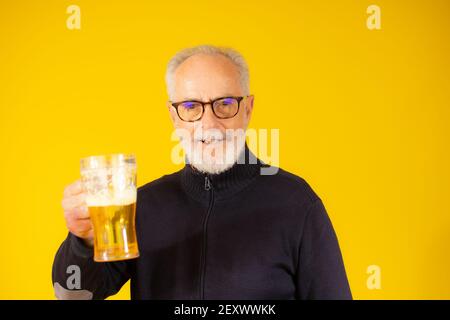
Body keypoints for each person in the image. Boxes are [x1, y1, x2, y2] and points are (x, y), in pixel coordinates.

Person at [53, 45, 352, 300]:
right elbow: (74, 294)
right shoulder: (140, 206)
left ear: (248, 109)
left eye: (225, 104)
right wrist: (83, 242)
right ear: (174, 116)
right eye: (191, 106)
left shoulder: (297, 204)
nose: (208, 124)